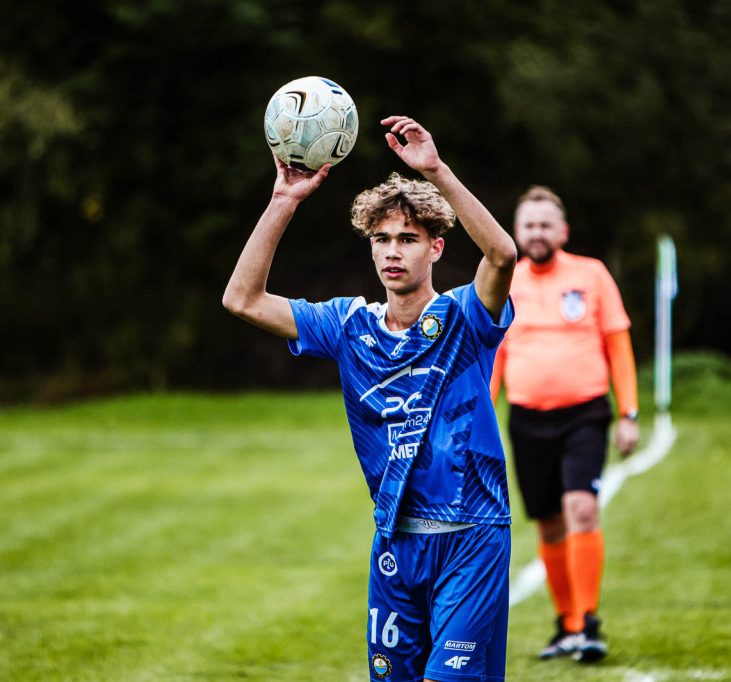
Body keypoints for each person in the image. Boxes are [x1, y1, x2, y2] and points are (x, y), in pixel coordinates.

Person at [223, 116, 517, 682]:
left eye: (407, 239)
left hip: (471, 538)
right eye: (381, 238)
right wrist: (284, 198)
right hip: (393, 546)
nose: (392, 251)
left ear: (435, 247)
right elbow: (242, 299)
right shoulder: (347, 325)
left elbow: (502, 255)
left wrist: (434, 170)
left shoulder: (464, 318)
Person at [489, 186, 640, 663]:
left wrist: (629, 413)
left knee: (582, 508)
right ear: (517, 233)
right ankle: (567, 625)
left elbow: (617, 344)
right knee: (549, 522)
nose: (536, 233)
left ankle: (589, 623)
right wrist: (479, 418)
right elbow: (494, 357)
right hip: (527, 419)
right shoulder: (505, 282)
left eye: (545, 225)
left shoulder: (590, 275)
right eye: (528, 225)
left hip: (585, 415)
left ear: (563, 231)